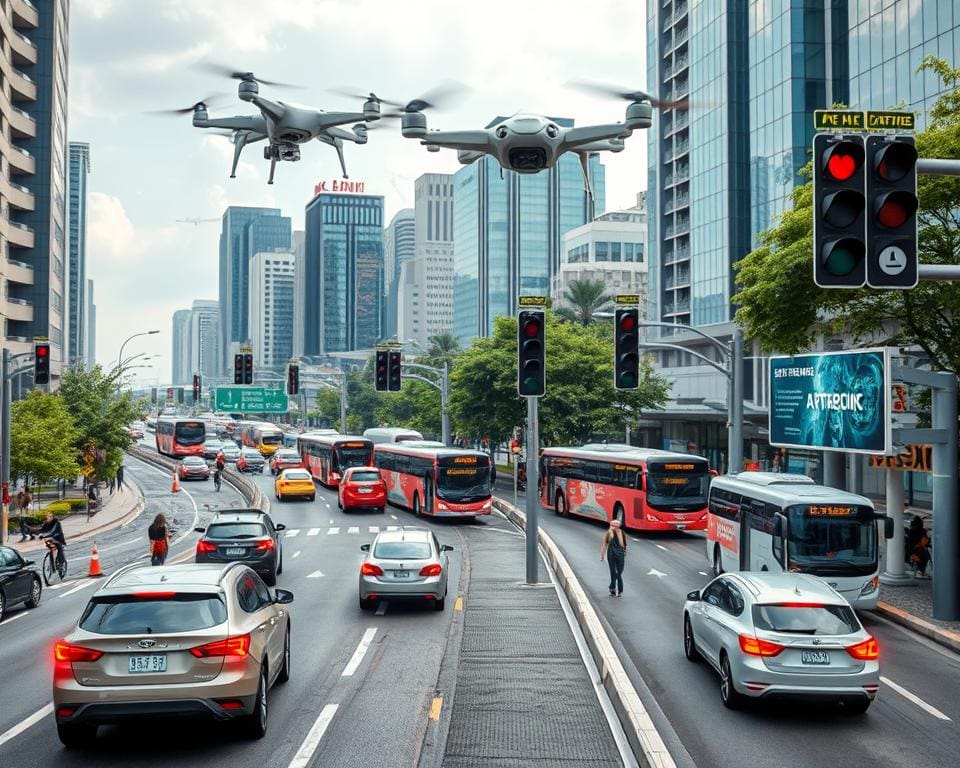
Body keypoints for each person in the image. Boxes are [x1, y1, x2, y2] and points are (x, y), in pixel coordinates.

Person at [600, 519, 628, 596]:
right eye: (612, 525)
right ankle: (618, 590)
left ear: (619, 526)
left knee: (619, 572)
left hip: (620, 555)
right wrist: (602, 555)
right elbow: (605, 544)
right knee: (613, 572)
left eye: (616, 525)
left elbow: (624, 544)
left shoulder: (622, 533)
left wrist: (624, 551)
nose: (614, 527)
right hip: (611, 555)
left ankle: (612, 587)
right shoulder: (609, 533)